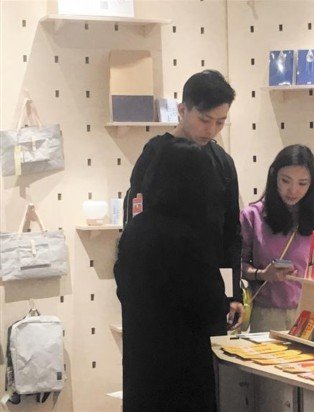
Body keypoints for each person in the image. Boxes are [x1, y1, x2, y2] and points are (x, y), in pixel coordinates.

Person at [114, 138, 232, 411]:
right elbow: (210, 304)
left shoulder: (135, 230)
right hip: (184, 370)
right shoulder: (192, 236)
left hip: (142, 363)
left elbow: (123, 289)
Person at [123, 70, 243, 332]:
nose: (211, 130)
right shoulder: (155, 154)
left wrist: (233, 293)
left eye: (220, 122)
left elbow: (230, 233)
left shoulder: (222, 163)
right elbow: (136, 225)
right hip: (157, 294)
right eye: (204, 119)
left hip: (207, 294)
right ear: (182, 110)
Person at [240, 144, 314, 333]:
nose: (293, 190)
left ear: (312, 184)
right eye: (285, 180)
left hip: (311, 314)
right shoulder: (252, 216)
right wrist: (262, 274)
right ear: (274, 176)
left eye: (302, 183)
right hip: (266, 314)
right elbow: (235, 265)